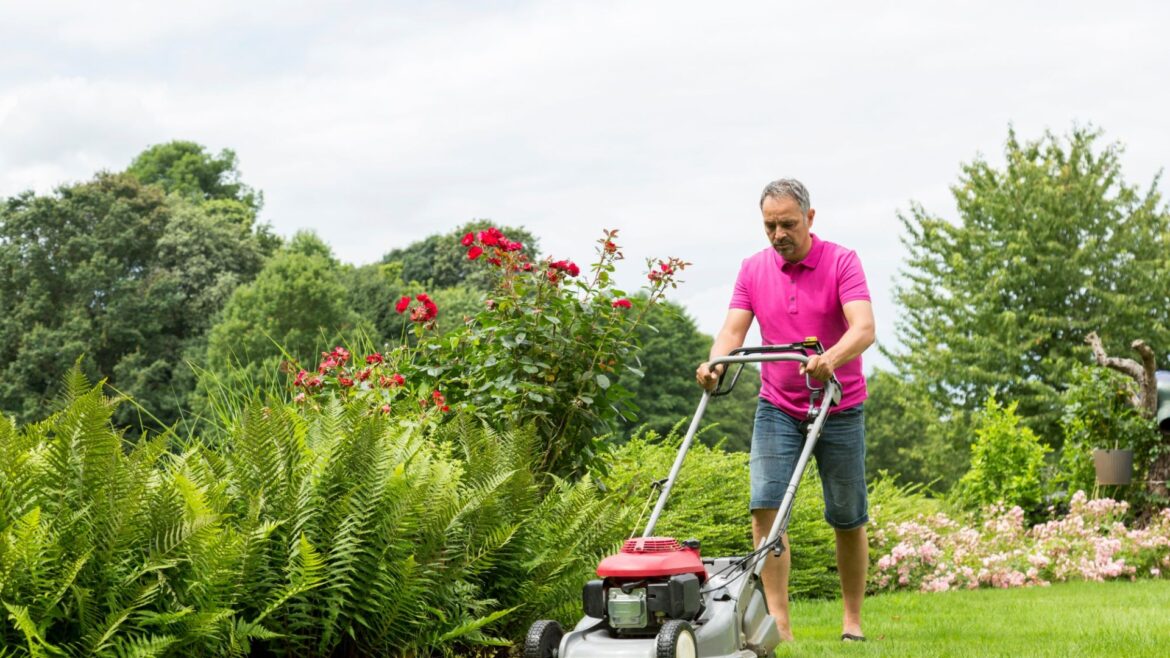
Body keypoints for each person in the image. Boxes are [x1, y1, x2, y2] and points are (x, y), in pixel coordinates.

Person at [695, 178, 875, 643]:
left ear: (810, 219)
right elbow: (733, 331)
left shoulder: (842, 261)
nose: (779, 234)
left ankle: (852, 622)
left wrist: (829, 359)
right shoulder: (753, 269)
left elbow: (864, 328)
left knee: (847, 516)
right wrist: (715, 363)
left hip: (840, 404)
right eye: (770, 225)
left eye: (788, 224)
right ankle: (781, 627)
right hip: (777, 405)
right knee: (766, 509)